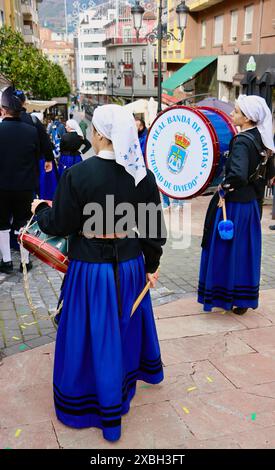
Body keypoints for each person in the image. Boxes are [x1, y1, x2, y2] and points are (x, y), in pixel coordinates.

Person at [31, 104, 166, 442]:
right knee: (122, 330)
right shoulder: (142, 175)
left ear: (101, 135)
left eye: (94, 129)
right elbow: (153, 230)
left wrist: (41, 211)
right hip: (131, 263)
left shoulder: (79, 175)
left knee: (91, 335)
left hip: (92, 269)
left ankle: (96, 404)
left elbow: (60, 224)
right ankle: (118, 396)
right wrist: (150, 266)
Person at [198, 95, 275, 316]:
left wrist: (224, 187)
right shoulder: (262, 140)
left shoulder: (242, 141)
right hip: (250, 205)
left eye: (237, 112)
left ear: (248, 118)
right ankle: (242, 300)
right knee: (244, 251)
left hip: (234, 206)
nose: (232, 114)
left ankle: (224, 296)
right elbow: (270, 174)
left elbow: (238, 175)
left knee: (226, 250)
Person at [0, 87, 40, 273]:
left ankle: (7, 261)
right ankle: (25, 261)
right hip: (24, 186)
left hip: (2, 186)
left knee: (2, 224)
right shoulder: (31, 131)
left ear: (3, 109)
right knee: (23, 223)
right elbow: (37, 156)